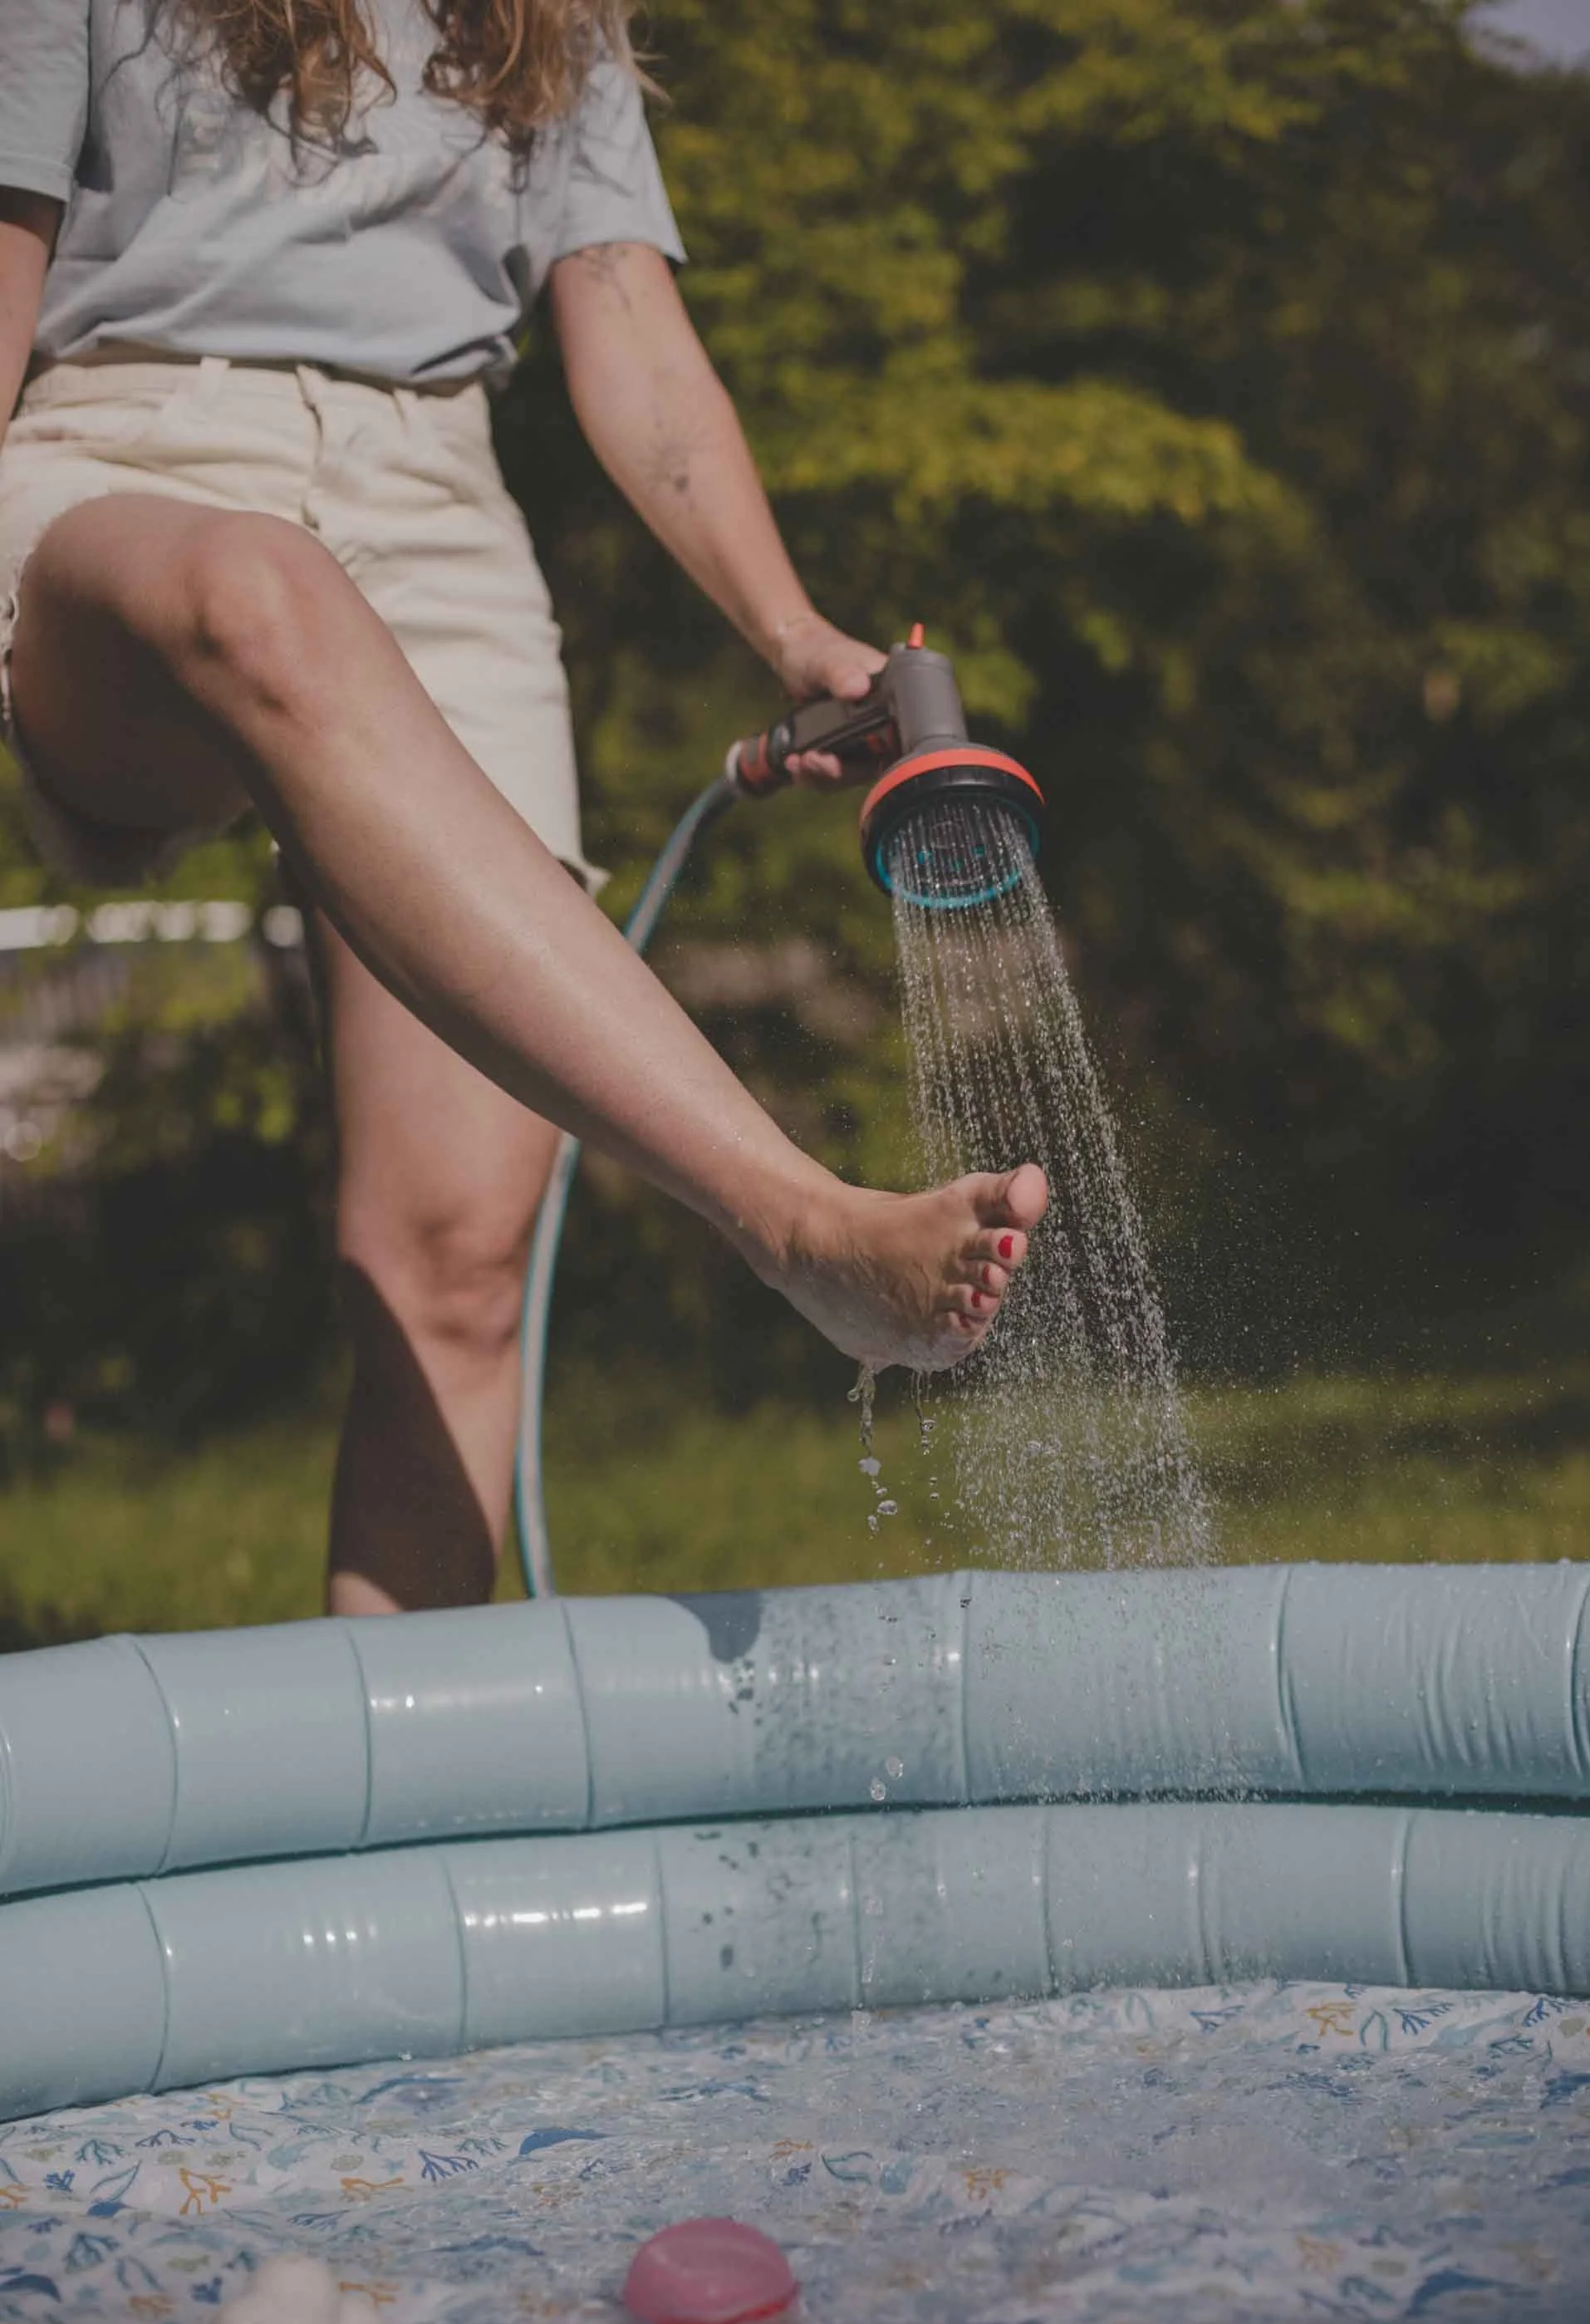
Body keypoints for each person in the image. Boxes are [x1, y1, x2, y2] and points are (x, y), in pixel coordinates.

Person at [0, 0, 1046, 1616]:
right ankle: (792, 1219)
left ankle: (395, 1806)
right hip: (122, 455)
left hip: (435, 509)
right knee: (262, 592)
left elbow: (627, 323)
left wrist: (789, 634)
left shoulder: (544, 17)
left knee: (459, 1269)